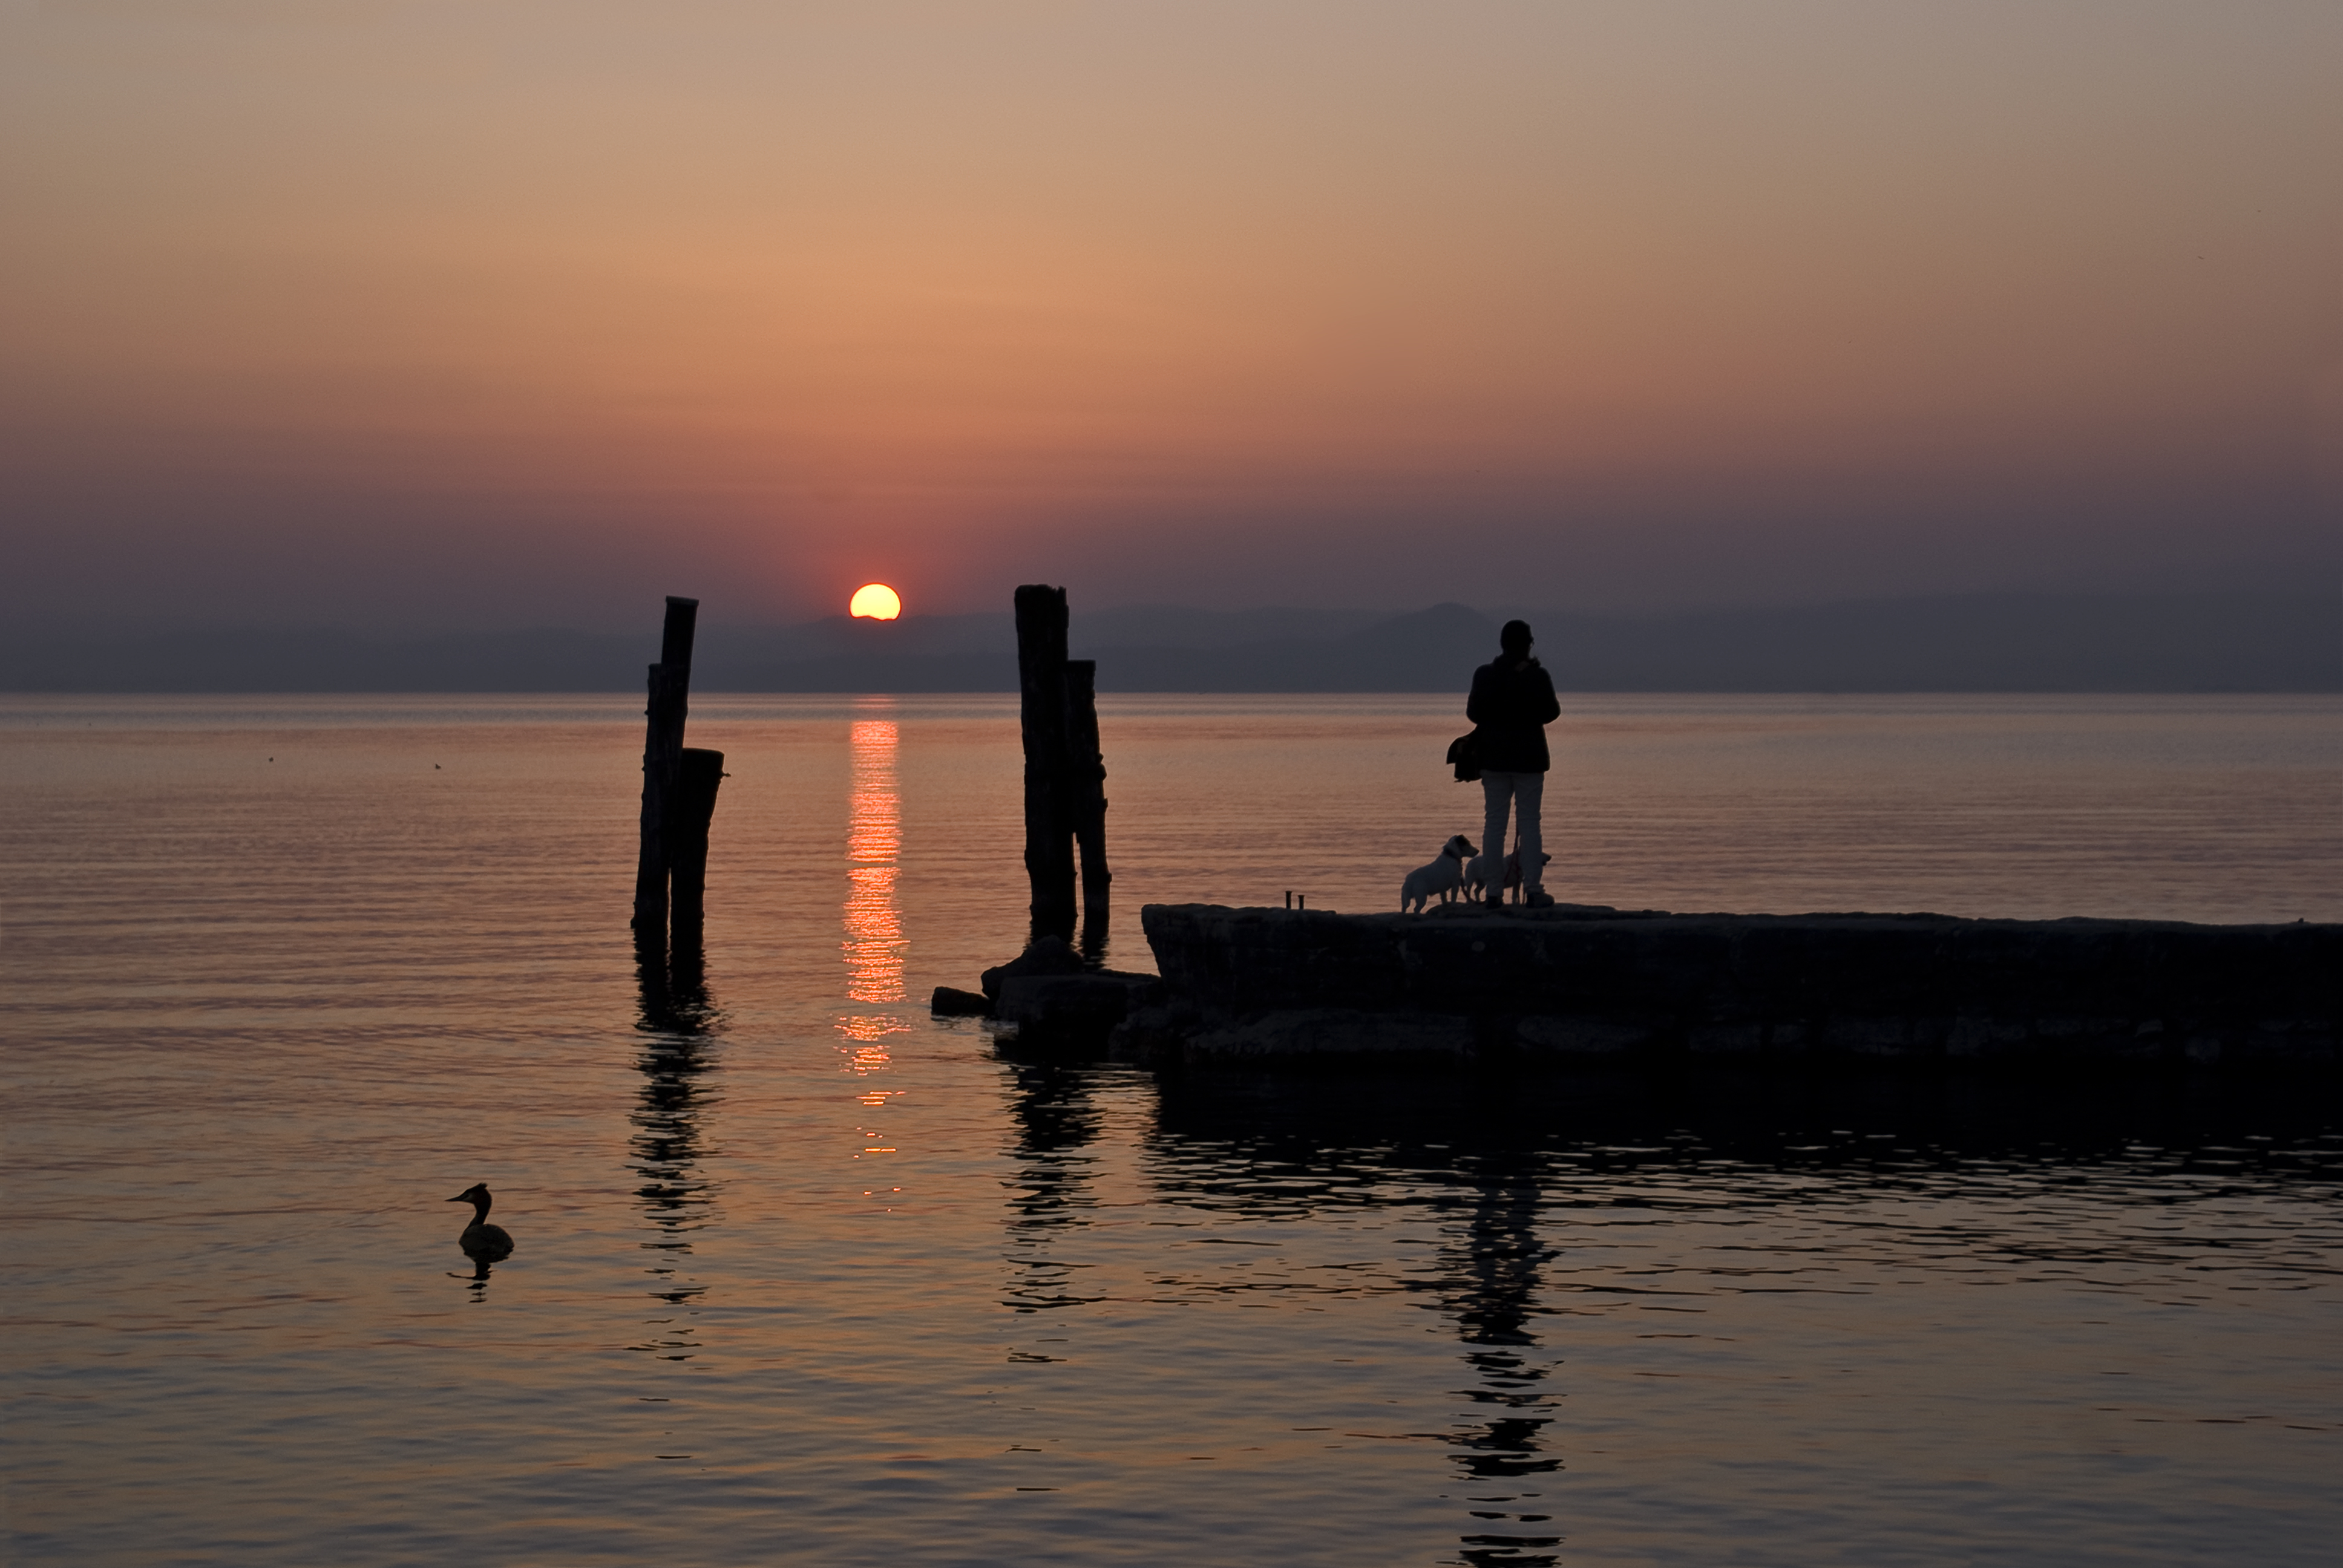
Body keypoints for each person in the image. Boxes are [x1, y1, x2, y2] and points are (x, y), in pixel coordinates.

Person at [1466, 619, 1561, 908]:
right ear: (1527, 645)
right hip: (1529, 760)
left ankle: (1494, 892)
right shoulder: (1538, 676)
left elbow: (1473, 713)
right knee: (1530, 824)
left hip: (1493, 759)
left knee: (1494, 824)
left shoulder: (1485, 675)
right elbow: (1551, 713)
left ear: (1503, 645)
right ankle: (1533, 890)